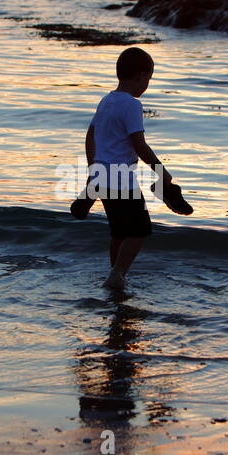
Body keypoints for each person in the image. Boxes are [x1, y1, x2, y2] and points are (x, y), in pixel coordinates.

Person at [70, 46, 191, 289]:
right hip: (121, 179)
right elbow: (139, 144)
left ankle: (116, 273)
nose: (148, 84)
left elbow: (90, 134)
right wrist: (160, 171)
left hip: (101, 176)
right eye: (149, 78)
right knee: (139, 231)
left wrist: (92, 165)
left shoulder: (106, 100)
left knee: (119, 232)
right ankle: (117, 276)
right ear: (139, 75)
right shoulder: (132, 105)